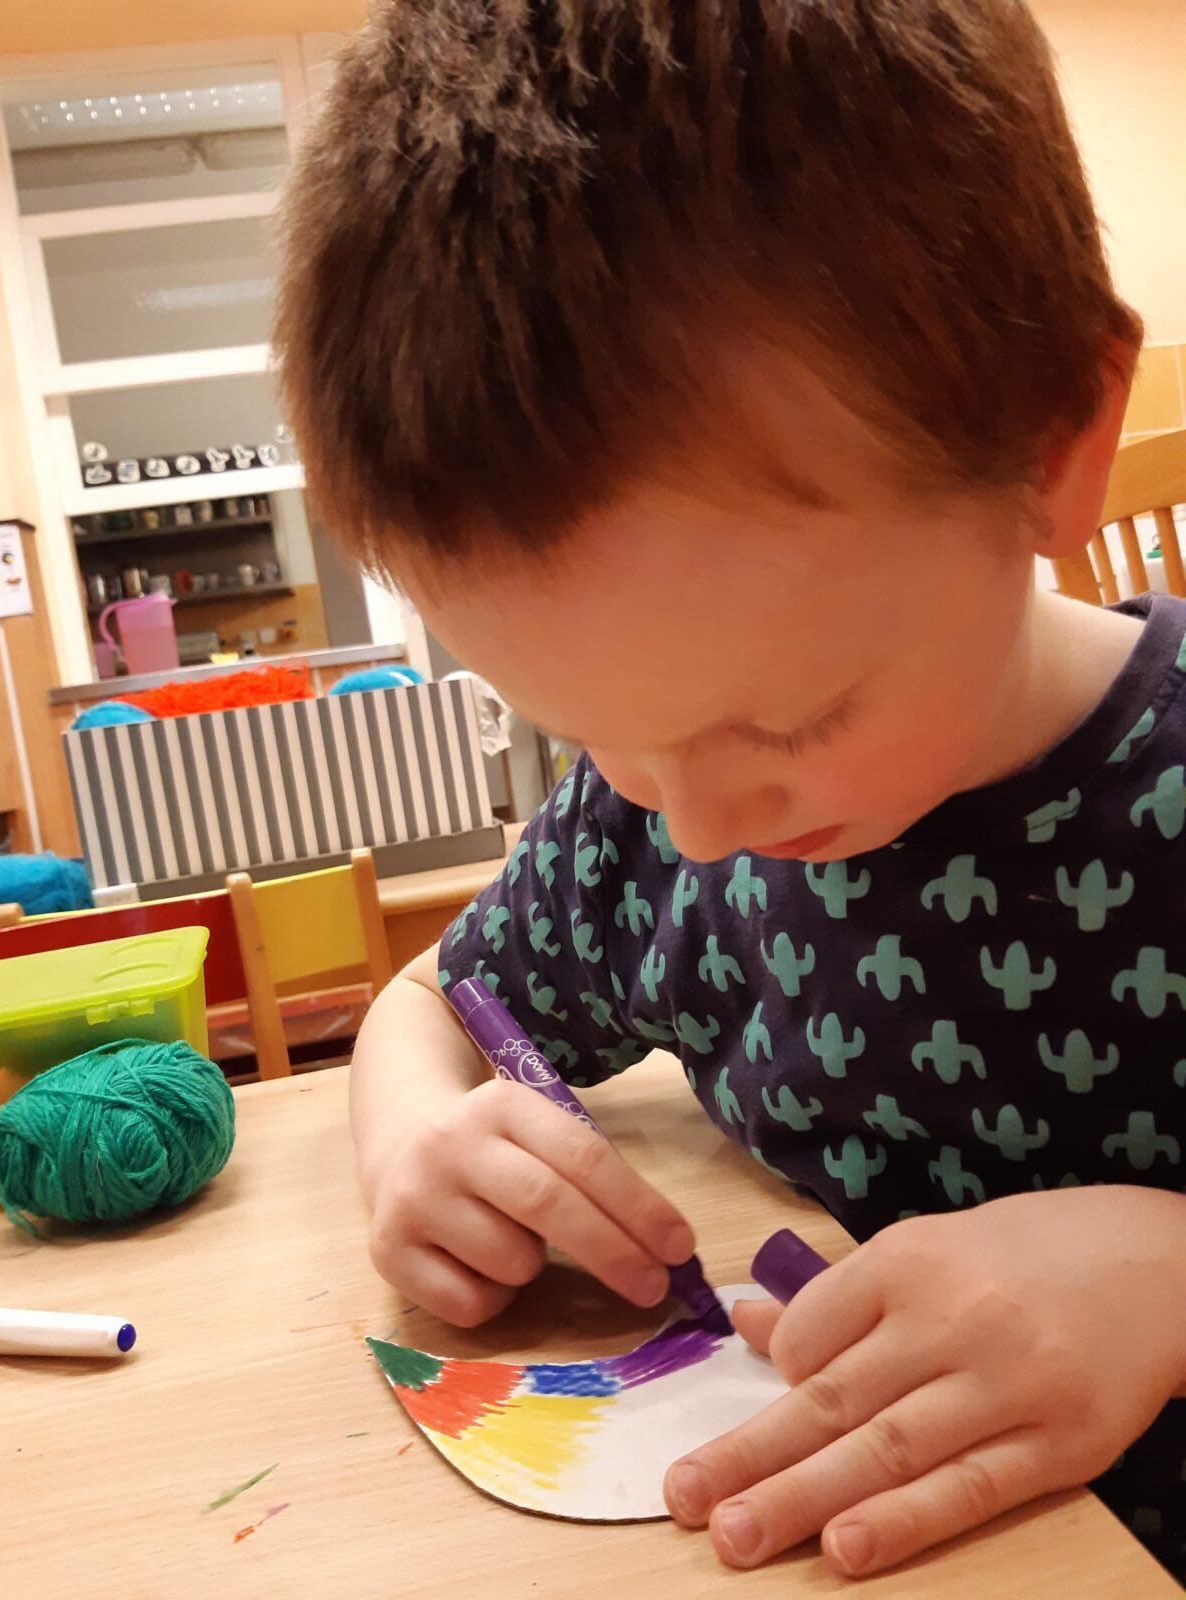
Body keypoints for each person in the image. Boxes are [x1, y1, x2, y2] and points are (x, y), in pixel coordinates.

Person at [275, 0, 1186, 1580]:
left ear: (1052, 449)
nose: (693, 828)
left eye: (792, 719)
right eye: (593, 733)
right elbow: (436, 1001)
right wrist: (416, 1136)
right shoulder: (646, 820)